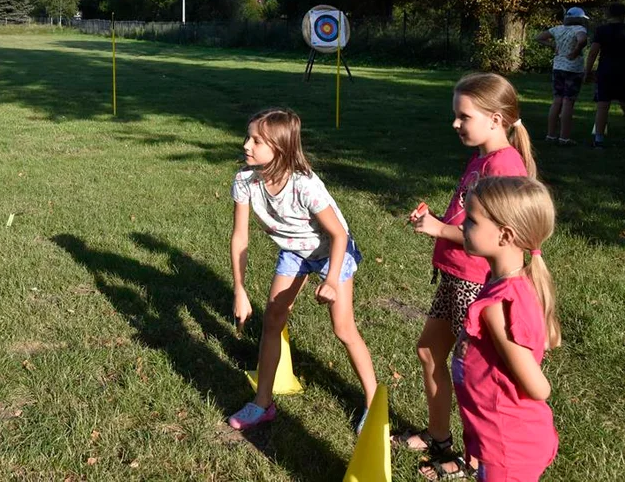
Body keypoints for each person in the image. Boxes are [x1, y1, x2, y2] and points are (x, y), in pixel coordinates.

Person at [394, 73, 537, 478]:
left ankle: (474, 459)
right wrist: (439, 224)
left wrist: (439, 229)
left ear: (495, 119)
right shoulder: (482, 156)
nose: (455, 124)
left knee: (471, 374)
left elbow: (498, 237)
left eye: (463, 116)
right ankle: (440, 438)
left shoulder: (505, 165)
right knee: (428, 352)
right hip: (455, 275)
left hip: (475, 282)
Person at [227, 108, 377, 431]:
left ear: (278, 150)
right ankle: (262, 403)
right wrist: (239, 288)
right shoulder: (245, 181)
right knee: (272, 320)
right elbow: (240, 236)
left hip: (331, 252)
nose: (246, 145)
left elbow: (339, 234)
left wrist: (333, 280)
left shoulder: (305, 186)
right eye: (247, 137)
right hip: (294, 251)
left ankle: (374, 401)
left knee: (343, 328)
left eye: (255, 140)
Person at [438, 176, 559, 481]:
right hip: (495, 438)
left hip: (508, 446)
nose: (462, 225)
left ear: (505, 235)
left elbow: (538, 388)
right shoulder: (507, 282)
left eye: (473, 221)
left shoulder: (498, 308)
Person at [535, 7, 589, 145]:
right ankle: (564, 137)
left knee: (557, 100)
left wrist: (553, 45)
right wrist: (576, 50)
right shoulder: (579, 29)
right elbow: (582, 40)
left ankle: (550, 135)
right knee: (568, 101)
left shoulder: (557, 29)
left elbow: (539, 37)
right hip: (573, 68)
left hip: (558, 67)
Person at [584, 2, 625, 147]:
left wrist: (588, 70)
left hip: (606, 70)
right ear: (624, 15)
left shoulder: (602, 30)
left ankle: (599, 138)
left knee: (603, 105)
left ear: (609, 14)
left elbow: (593, 52)